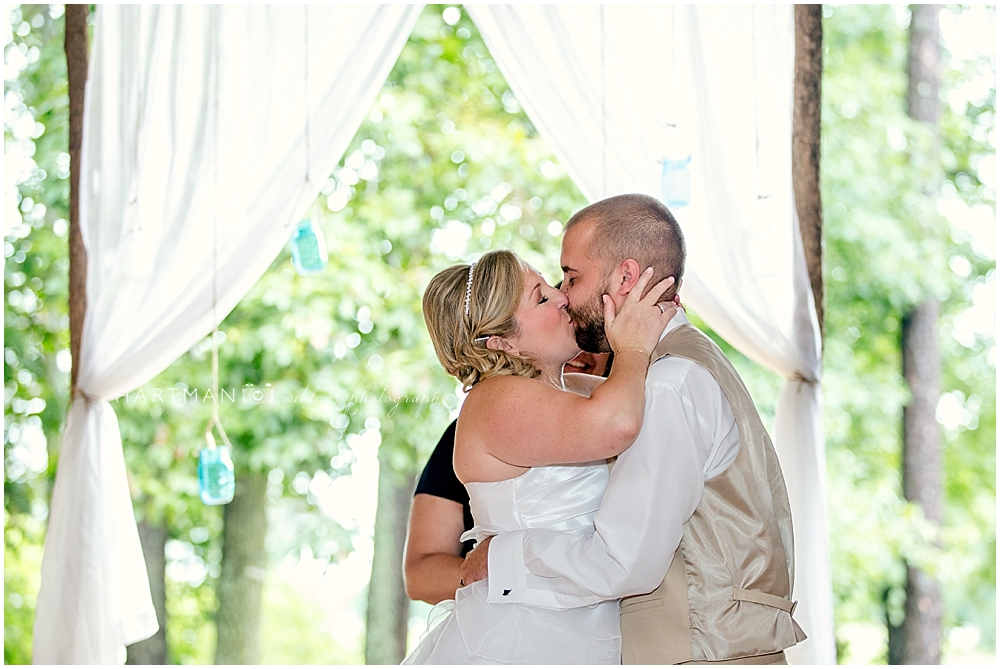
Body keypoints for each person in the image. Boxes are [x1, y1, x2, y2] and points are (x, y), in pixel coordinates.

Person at [461, 194, 806, 664]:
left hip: (698, 653)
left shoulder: (666, 383)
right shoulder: (667, 369)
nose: (564, 295)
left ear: (624, 277)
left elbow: (624, 562)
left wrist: (503, 556)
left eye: (570, 277)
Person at [402, 249, 677, 664]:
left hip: (585, 619)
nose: (563, 296)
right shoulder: (493, 398)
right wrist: (634, 347)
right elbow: (618, 424)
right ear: (502, 341)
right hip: (527, 634)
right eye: (541, 297)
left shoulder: (571, 391)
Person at [403, 349, 612, 606]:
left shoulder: (630, 421)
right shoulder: (470, 431)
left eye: (593, 334)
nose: (580, 350)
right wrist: (498, 568)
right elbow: (420, 573)